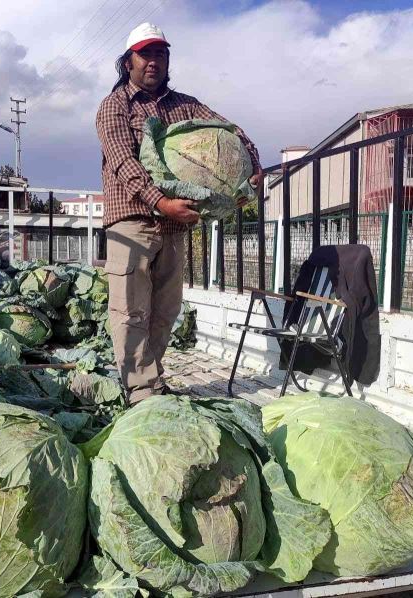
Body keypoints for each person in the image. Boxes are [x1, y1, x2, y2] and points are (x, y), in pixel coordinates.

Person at [96, 22, 263, 405]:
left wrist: (253, 166)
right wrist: (160, 200)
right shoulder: (115, 106)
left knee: (165, 311)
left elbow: (232, 132)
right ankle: (139, 389)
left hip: (175, 224)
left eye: (160, 53)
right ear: (128, 62)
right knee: (130, 310)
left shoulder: (185, 105)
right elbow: (123, 162)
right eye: (145, 54)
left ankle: (151, 381)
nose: (153, 61)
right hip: (133, 221)